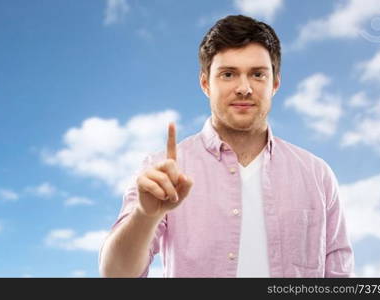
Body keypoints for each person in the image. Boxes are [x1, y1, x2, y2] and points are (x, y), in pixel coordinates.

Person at [98, 15, 354, 278]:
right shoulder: (162, 173)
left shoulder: (317, 175)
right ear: (205, 83)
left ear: (275, 83)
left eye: (257, 74)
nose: (244, 88)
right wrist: (145, 216)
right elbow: (115, 276)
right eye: (228, 74)